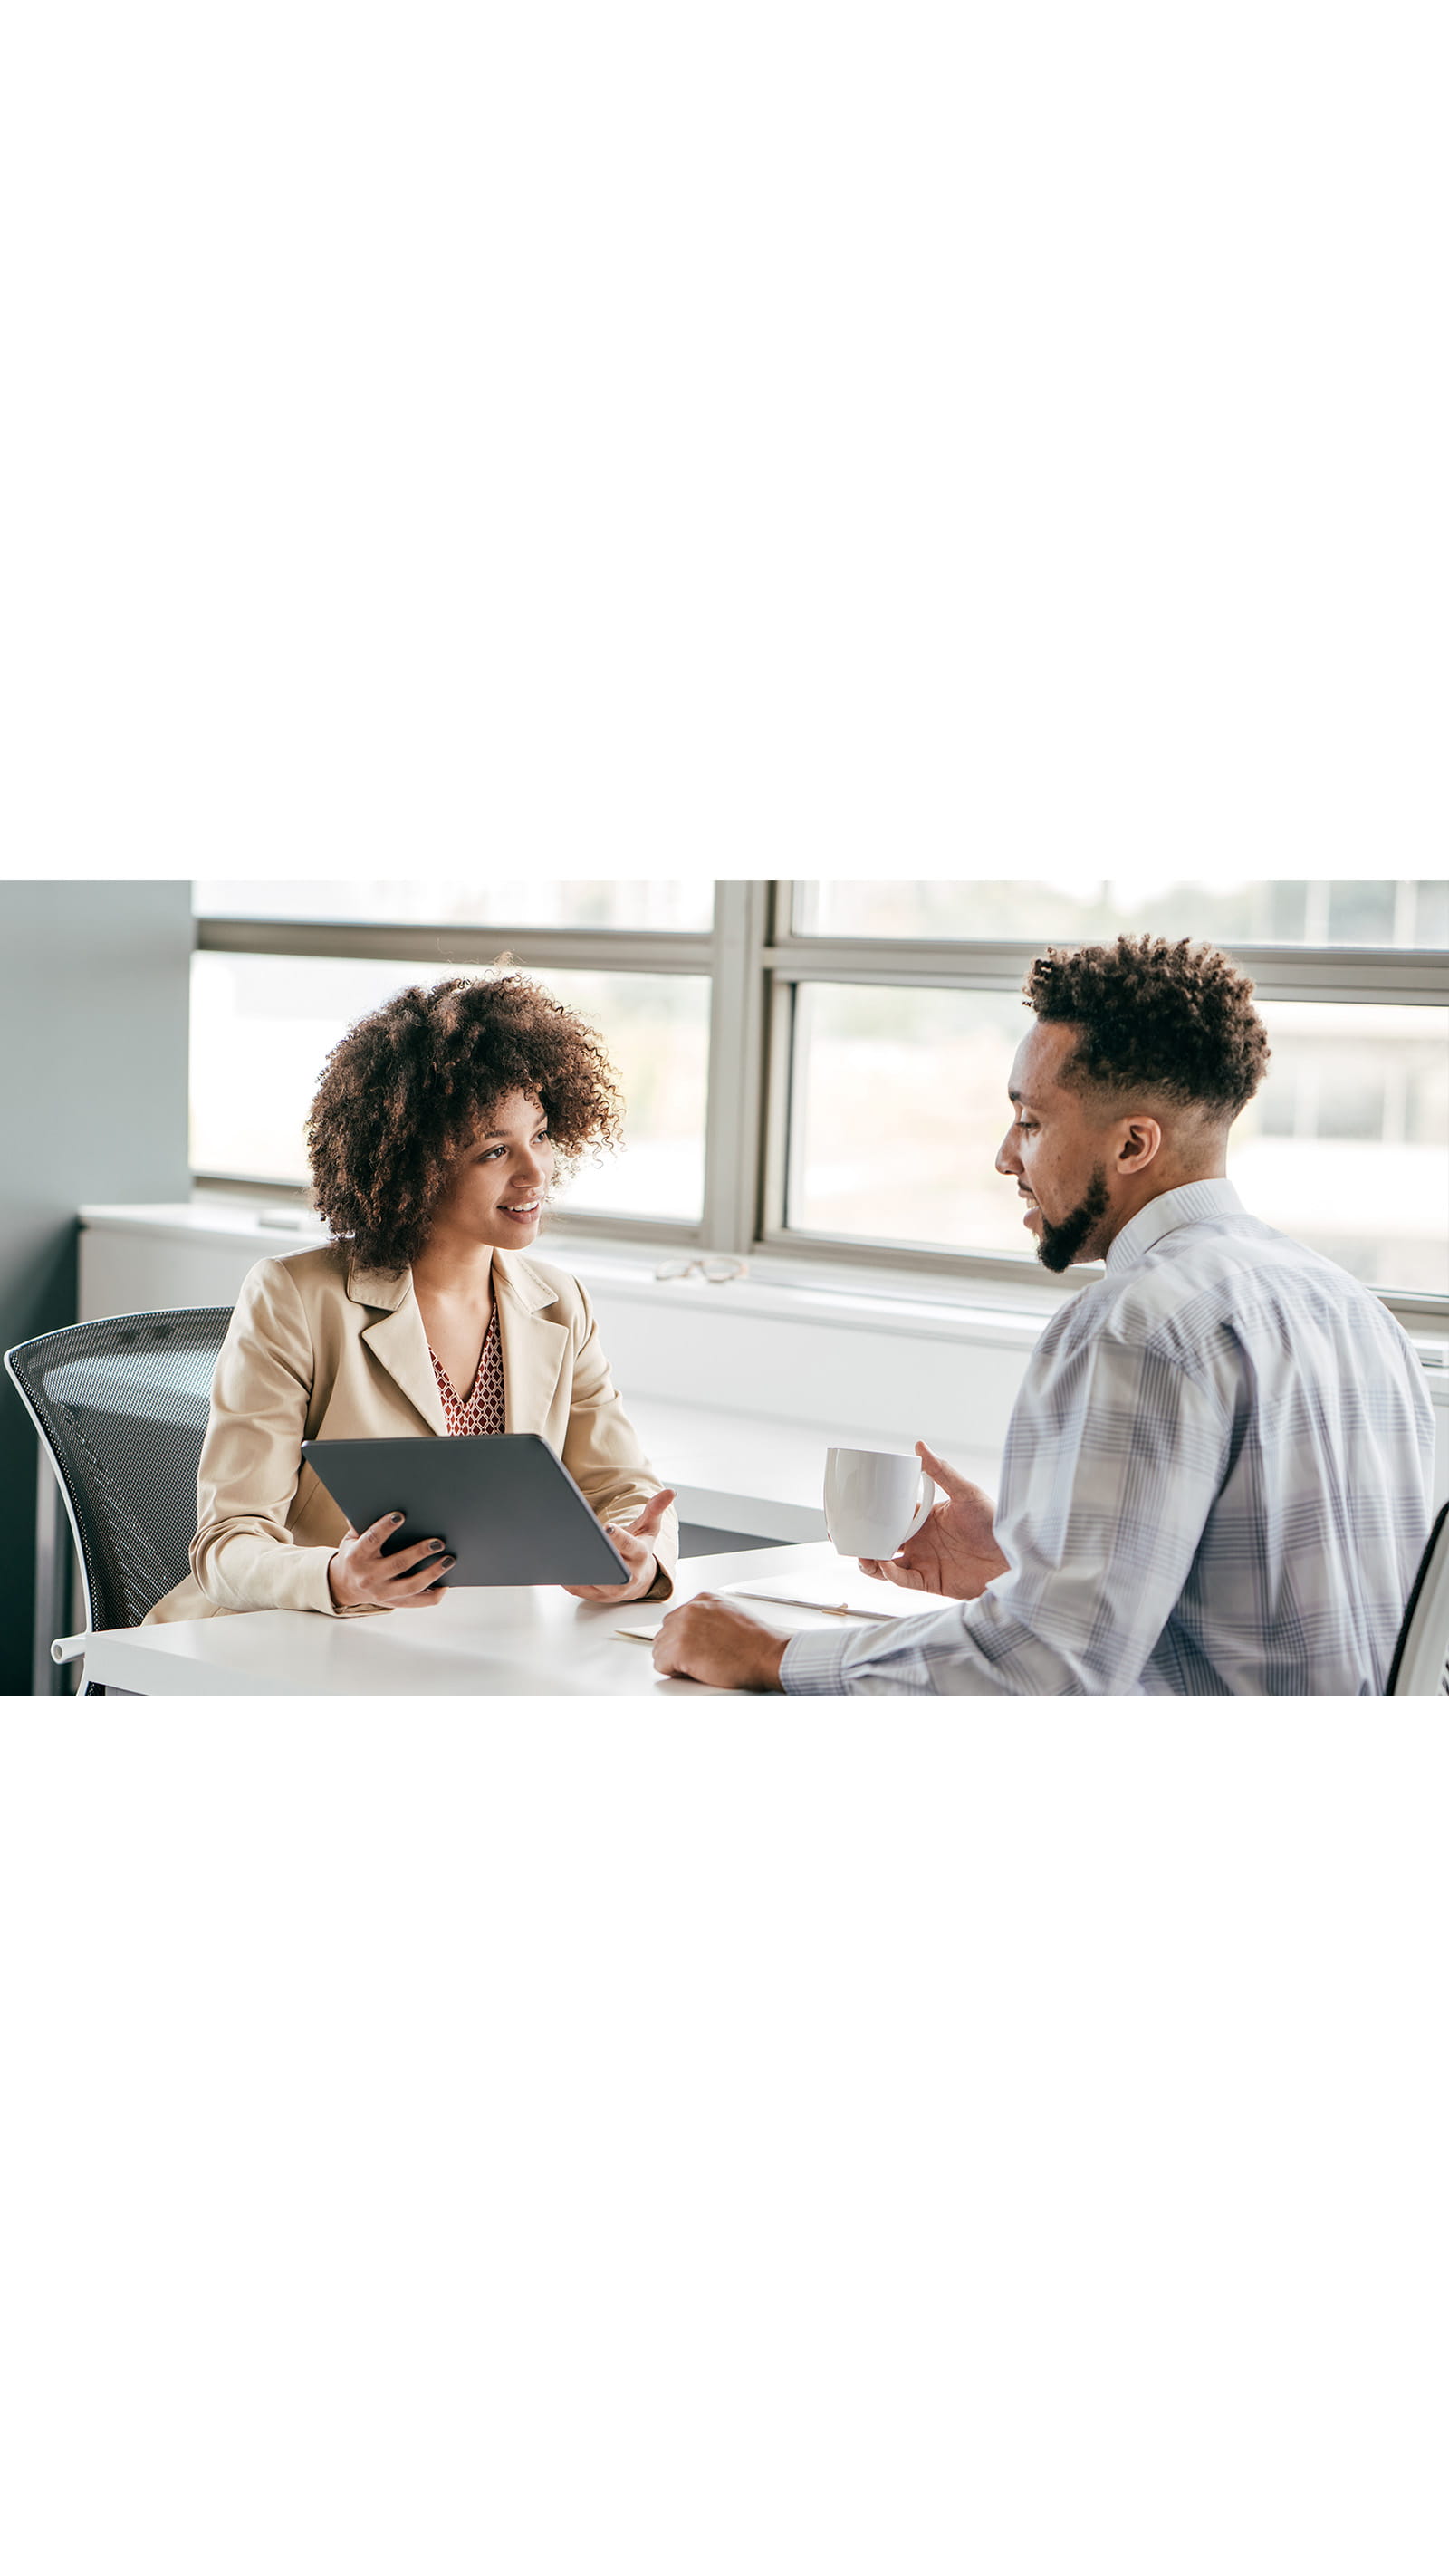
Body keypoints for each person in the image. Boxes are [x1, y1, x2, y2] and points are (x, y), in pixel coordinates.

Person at [653, 935, 1435, 1696]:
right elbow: (1268, 1622)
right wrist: (1024, 1562)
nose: (1004, 1156)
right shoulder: (1351, 1309)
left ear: (1133, 1145)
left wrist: (773, 1654)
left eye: (1031, 1122)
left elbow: (1044, 1674)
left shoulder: (1136, 1324)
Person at [147, 971, 677, 1623]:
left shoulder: (559, 1305)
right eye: (493, 1151)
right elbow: (227, 1545)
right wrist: (338, 1578)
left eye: (539, 1137)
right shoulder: (295, 1297)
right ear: (414, 1167)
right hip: (283, 1642)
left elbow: (624, 1489)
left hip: (467, 1649)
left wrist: (640, 1561)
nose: (536, 1172)